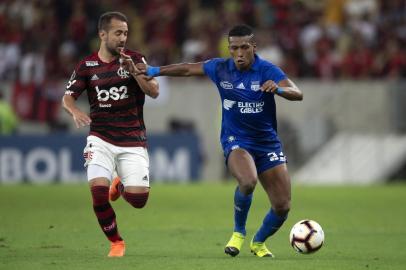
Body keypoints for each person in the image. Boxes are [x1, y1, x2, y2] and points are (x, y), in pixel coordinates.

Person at [136, 24, 303, 258]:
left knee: (282, 206)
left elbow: (297, 92)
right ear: (229, 49)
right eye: (234, 48)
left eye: (244, 47)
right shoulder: (221, 68)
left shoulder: (267, 70)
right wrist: (154, 70)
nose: (239, 53)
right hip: (236, 140)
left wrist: (279, 90)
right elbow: (186, 69)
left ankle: (258, 242)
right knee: (247, 181)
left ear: (253, 47)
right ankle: (238, 233)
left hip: (267, 143)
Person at [62, 11, 159, 257]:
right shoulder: (87, 66)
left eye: (125, 33)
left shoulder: (136, 59)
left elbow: (154, 91)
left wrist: (135, 71)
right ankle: (116, 242)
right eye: (118, 33)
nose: (123, 38)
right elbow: (67, 97)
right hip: (100, 138)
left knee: (139, 201)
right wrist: (74, 111)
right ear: (102, 34)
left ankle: (120, 185)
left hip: (133, 139)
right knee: (97, 192)